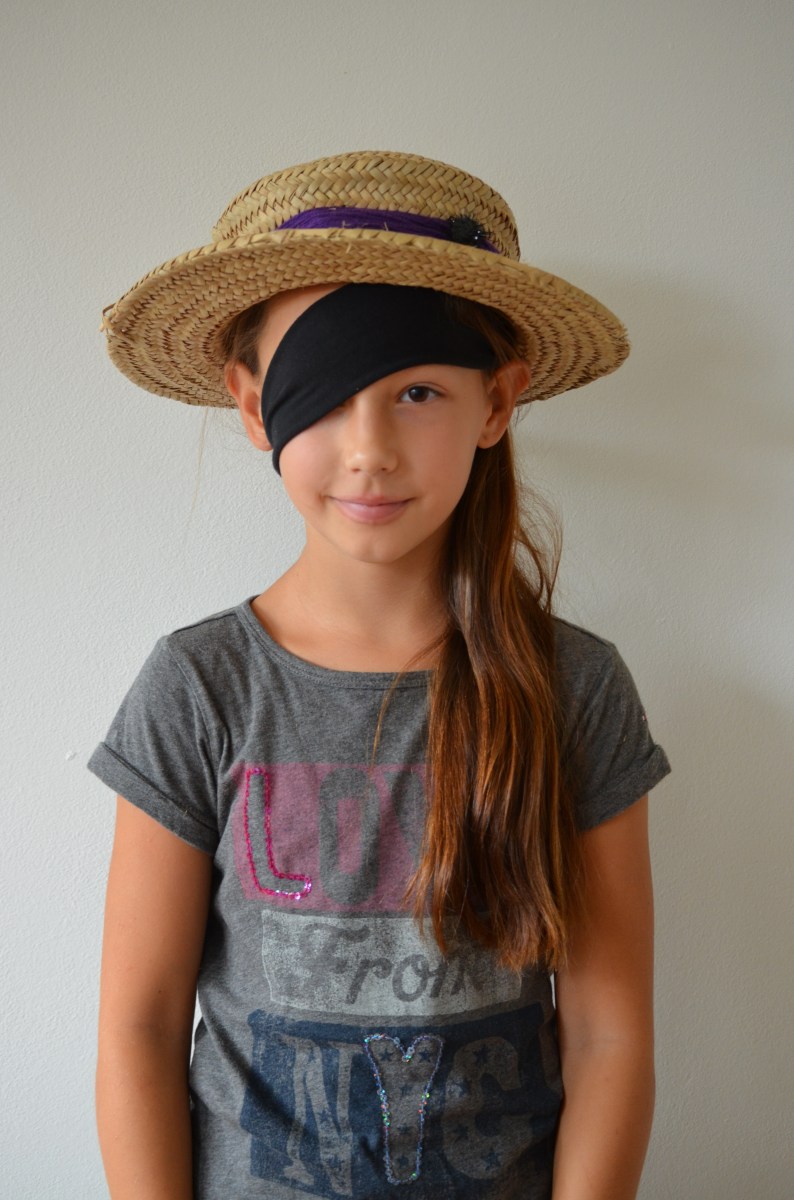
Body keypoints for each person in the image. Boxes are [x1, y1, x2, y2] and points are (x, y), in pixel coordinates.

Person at [90, 150, 671, 1200]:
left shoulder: (573, 688)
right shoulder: (199, 686)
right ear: (253, 405)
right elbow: (139, 1025)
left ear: (497, 402)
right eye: (323, 395)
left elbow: (608, 1033)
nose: (370, 450)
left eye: (416, 391)